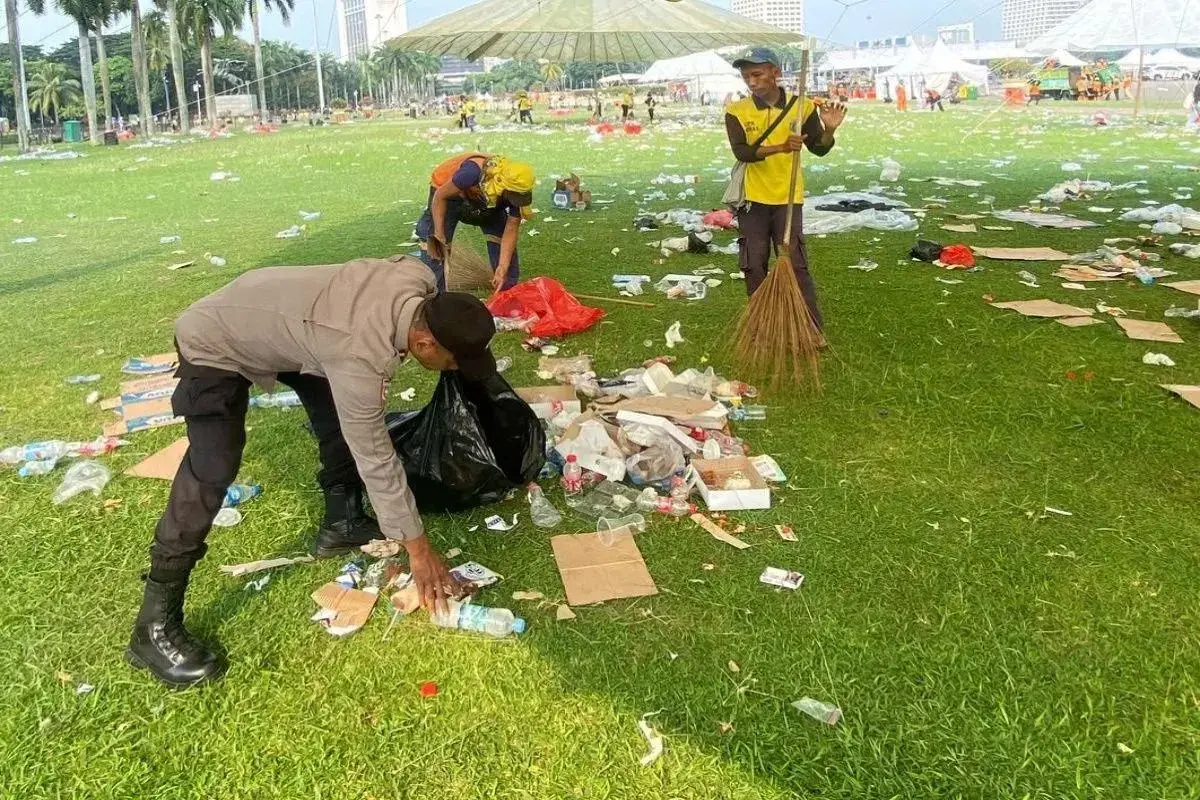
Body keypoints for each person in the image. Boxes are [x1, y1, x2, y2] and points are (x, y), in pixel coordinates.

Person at [126, 257, 496, 687]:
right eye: (454, 361)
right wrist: (418, 549)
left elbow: (411, 265)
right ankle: (153, 624)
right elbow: (375, 457)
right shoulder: (358, 353)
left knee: (338, 420)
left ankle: (341, 523)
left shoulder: (417, 280)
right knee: (213, 466)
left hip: (293, 325)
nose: (454, 370)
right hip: (216, 335)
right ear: (425, 341)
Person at [725, 47, 846, 330]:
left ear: (775, 73)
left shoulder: (801, 106)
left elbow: (818, 148)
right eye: (746, 77)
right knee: (753, 264)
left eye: (757, 74)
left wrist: (829, 130)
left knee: (795, 264)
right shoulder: (736, 112)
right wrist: (780, 146)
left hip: (789, 199)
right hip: (752, 199)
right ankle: (761, 325)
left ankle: (809, 326)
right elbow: (742, 152)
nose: (752, 82)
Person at [416, 153, 535, 293]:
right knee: (436, 248)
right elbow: (440, 196)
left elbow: (511, 227)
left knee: (502, 244)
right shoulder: (471, 173)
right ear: (500, 183)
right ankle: (437, 299)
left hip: (485, 198)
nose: (516, 201)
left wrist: (502, 267)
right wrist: (439, 234)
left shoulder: (518, 188)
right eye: (513, 196)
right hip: (447, 196)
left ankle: (506, 296)